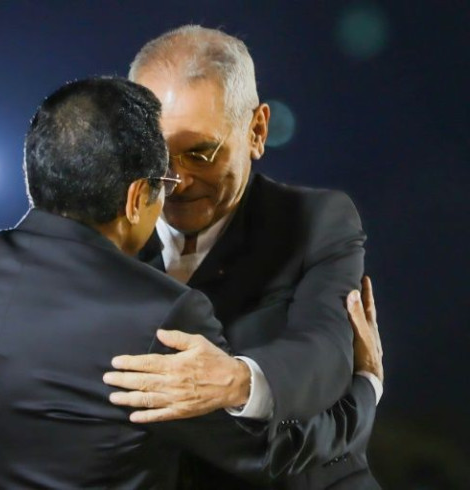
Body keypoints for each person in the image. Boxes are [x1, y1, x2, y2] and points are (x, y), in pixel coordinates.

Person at [0, 77, 380, 489]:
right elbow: (269, 454)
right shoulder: (161, 314)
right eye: (163, 184)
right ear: (137, 198)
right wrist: (366, 389)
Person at [102, 25, 380, 489]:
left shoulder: (315, 220)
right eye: (155, 154)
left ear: (256, 130)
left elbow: (327, 351)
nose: (177, 180)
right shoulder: (101, 234)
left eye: (200, 154)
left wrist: (235, 380)